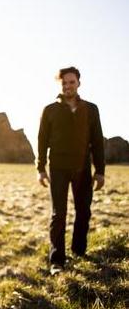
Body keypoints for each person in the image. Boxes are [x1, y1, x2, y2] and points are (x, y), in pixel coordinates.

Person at [36, 66, 105, 275]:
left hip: (82, 168)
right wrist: (40, 168)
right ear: (60, 84)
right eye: (64, 83)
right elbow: (42, 141)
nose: (67, 86)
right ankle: (57, 260)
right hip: (57, 168)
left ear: (78, 83)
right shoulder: (50, 110)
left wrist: (100, 170)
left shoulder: (91, 109)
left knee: (83, 211)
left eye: (71, 82)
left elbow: (97, 142)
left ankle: (79, 250)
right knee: (59, 214)